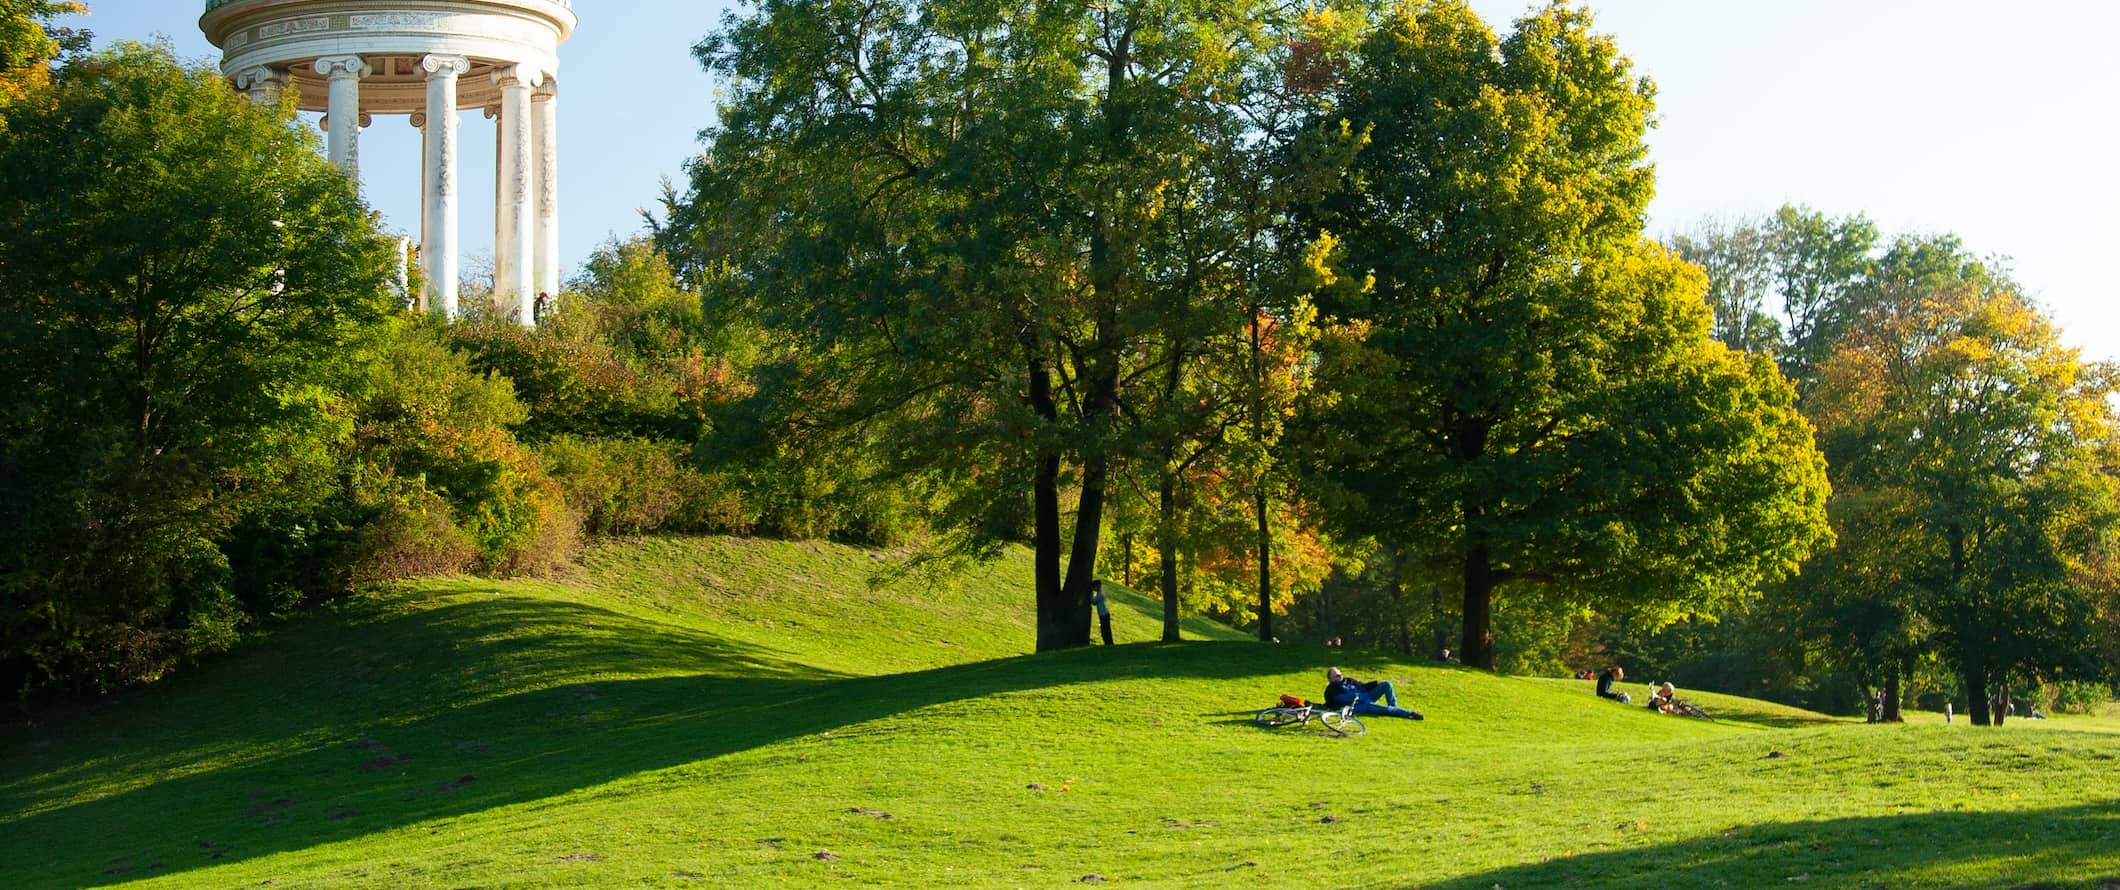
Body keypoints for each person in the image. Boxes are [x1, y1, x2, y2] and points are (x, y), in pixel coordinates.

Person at [1323, 667, 1423, 720]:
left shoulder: (1348, 680)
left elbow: (1362, 687)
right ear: (1330, 679)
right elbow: (1331, 704)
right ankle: (1410, 713)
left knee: (1387, 684)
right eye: (1337, 676)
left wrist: (1375, 683)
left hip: (1367, 696)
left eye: (1340, 674)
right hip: (1362, 706)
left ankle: (1394, 708)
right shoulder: (1331, 690)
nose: (1340, 676)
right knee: (1386, 709)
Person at [1089, 579, 1113, 646]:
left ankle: (1108, 643)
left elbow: (1093, 602)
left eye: (1094, 587)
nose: (1094, 589)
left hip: (1104, 615)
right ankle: (1108, 643)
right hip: (1104, 614)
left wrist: (1090, 594)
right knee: (1105, 629)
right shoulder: (1100, 593)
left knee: (1105, 630)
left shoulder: (1100, 595)